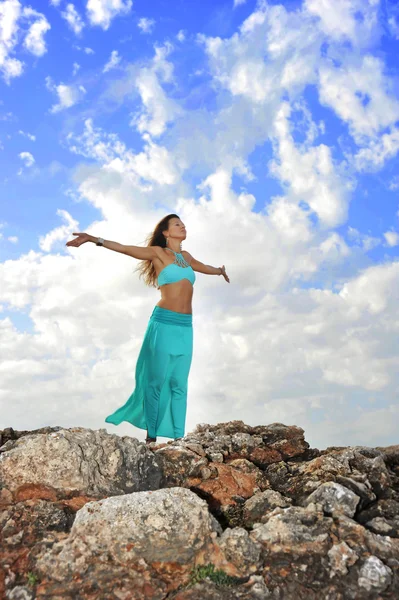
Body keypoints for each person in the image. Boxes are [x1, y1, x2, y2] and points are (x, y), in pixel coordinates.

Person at [65, 214, 230, 445]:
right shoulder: (158, 253)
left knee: (179, 383)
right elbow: (124, 249)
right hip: (163, 323)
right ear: (165, 232)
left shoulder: (187, 257)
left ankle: (178, 438)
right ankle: (151, 437)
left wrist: (220, 271)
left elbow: (204, 267)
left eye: (183, 224)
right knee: (157, 381)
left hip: (185, 327)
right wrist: (94, 239)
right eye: (177, 224)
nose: (182, 226)